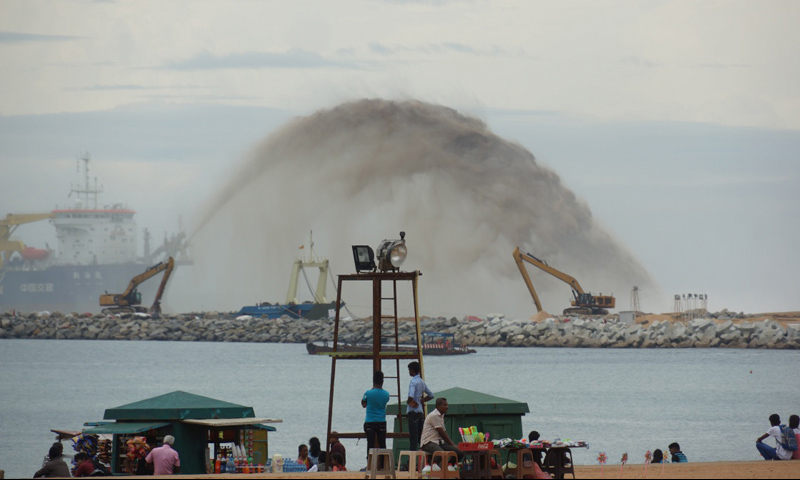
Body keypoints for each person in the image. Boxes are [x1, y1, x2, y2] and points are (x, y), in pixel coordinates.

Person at [420, 397, 463, 462]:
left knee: (459, 452)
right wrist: (452, 444)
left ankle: (449, 466)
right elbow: (441, 433)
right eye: (444, 405)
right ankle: (432, 467)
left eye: (447, 405)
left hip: (438, 443)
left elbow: (444, 431)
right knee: (441, 453)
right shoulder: (433, 415)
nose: (447, 407)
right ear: (438, 406)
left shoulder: (441, 416)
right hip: (428, 443)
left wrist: (453, 446)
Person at [362, 370, 390, 461]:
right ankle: (383, 464)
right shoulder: (386, 394)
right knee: (382, 444)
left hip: (370, 421)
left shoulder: (368, 393)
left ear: (373, 380)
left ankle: (369, 463)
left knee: (370, 444)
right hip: (382, 421)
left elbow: (363, 404)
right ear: (383, 381)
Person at [406, 361, 434, 451]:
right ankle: (423, 456)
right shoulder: (421, 382)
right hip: (420, 412)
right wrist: (422, 400)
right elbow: (431, 395)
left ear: (412, 370)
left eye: (409, 370)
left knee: (413, 437)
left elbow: (411, 394)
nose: (409, 372)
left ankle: (412, 458)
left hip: (412, 412)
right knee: (420, 437)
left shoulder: (413, 382)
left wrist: (409, 401)